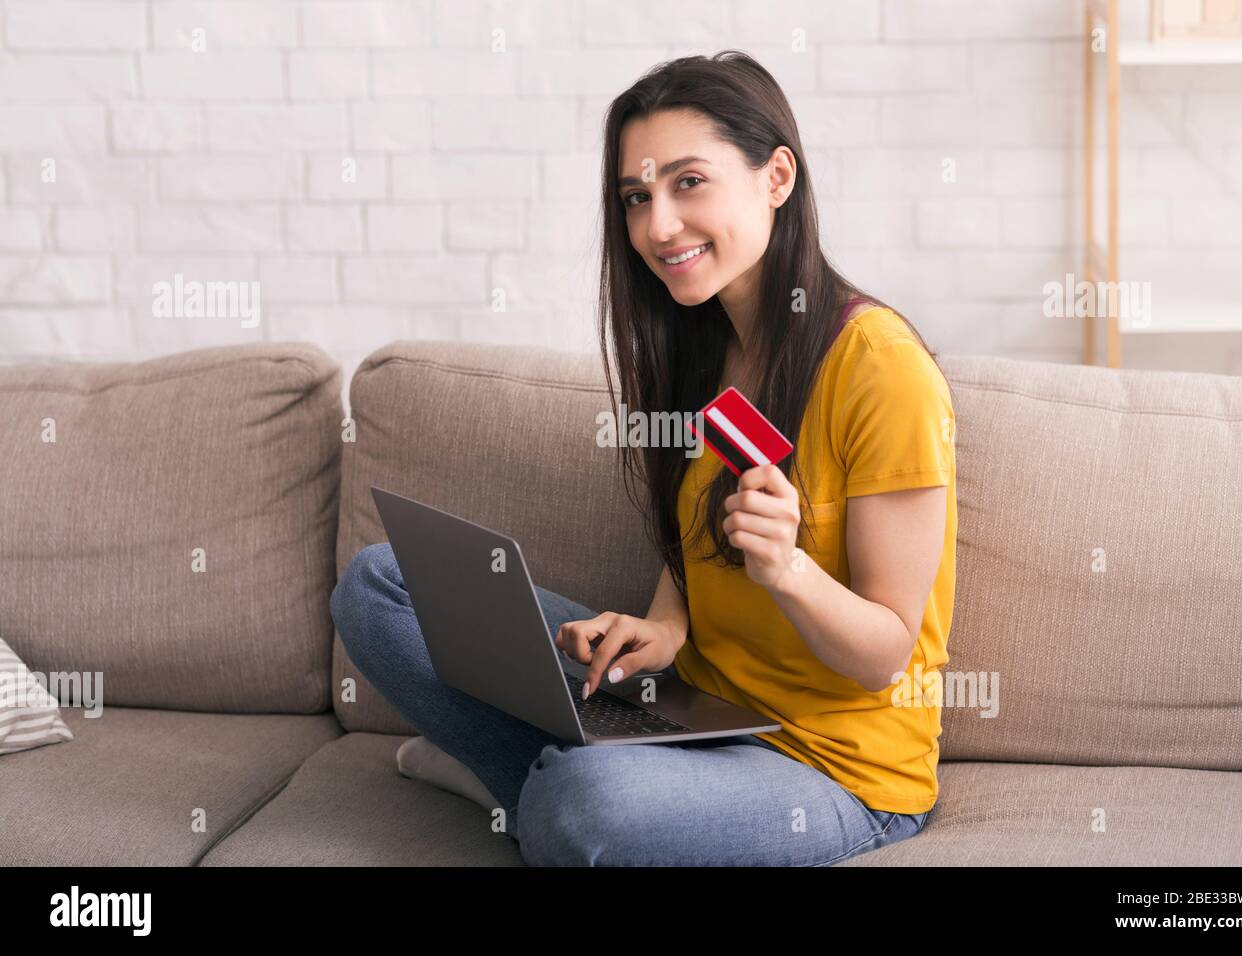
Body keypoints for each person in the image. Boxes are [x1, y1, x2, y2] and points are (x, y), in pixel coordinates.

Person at [330, 50, 957, 866]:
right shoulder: (706, 348)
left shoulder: (880, 367)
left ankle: (517, 785)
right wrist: (664, 628)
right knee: (377, 585)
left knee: (583, 807)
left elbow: (884, 657)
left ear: (776, 177)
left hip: (832, 772)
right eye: (637, 196)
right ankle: (543, 780)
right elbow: (690, 546)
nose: (658, 226)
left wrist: (789, 569)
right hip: (701, 710)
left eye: (688, 182)